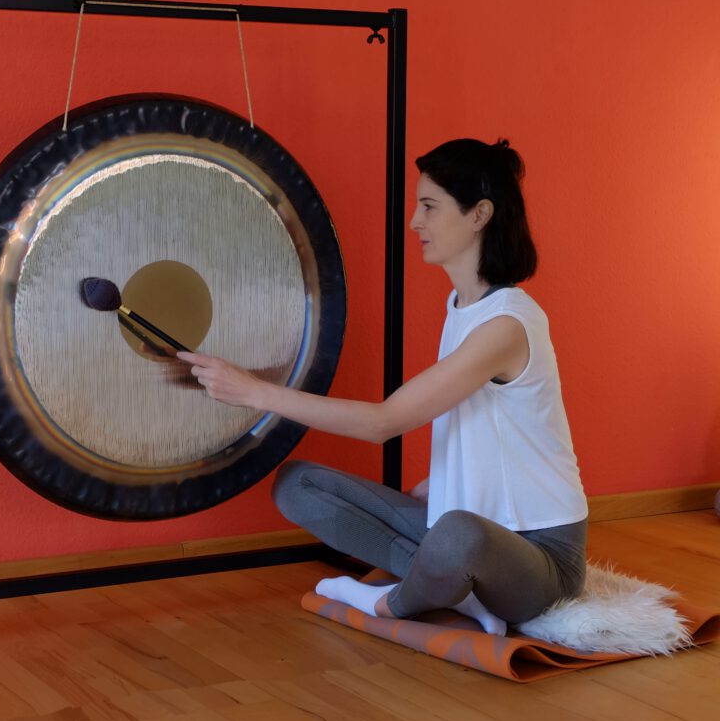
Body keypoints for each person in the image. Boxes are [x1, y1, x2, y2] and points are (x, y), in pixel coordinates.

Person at [177, 138, 587, 635]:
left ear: (479, 214)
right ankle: (454, 591)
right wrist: (447, 479)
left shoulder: (507, 325)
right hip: (471, 522)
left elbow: (384, 422)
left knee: (457, 535)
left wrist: (256, 392)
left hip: (539, 557)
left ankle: (391, 603)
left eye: (430, 207)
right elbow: (495, 423)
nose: (415, 221)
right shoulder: (461, 307)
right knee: (297, 485)